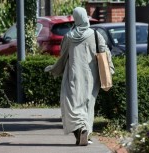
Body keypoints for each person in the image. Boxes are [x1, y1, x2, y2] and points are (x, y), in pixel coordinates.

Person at [44, 7, 114, 146]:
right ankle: (85, 132)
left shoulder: (69, 37)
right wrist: (110, 69)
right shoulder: (95, 35)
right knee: (88, 104)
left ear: (76, 18)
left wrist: (53, 69)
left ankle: (79, 130)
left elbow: (63, 57)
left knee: (71, 104)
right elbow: (105, 53)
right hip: (91, 76)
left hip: (73, 75)